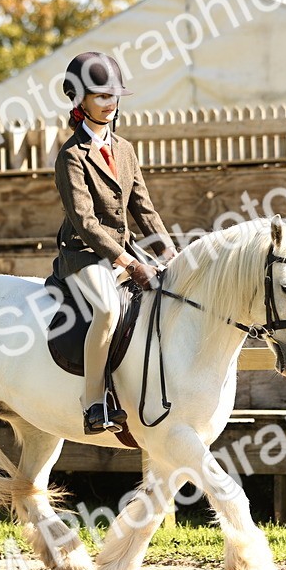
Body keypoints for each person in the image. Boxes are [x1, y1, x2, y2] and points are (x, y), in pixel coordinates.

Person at [54, 51, 177, 435]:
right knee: (107, 310)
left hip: (126, 250)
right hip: (84, 254)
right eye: (101, 96)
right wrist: (129, 263)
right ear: (80, 101)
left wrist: (169, 253)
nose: (111, 104)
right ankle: (92, 402)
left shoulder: (124, 149)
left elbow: (143, 207)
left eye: (114, 96)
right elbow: (86, 222)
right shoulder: (71, 156)